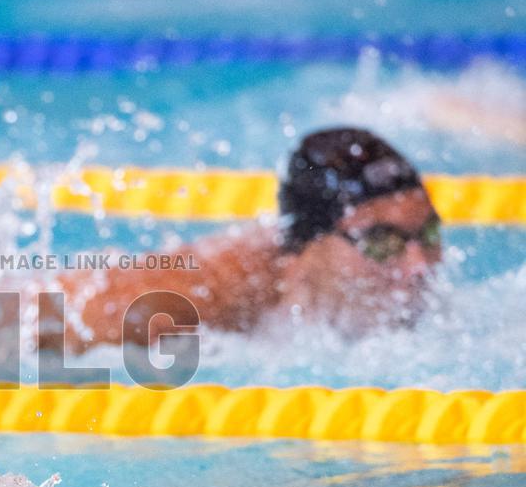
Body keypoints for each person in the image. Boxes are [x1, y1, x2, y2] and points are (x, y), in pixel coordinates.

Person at [50, 127, 443, 350]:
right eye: (381, 242)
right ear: (308, 246)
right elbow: (39, 312)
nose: (418, 265)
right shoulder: (219, 287)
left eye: (427, 235)